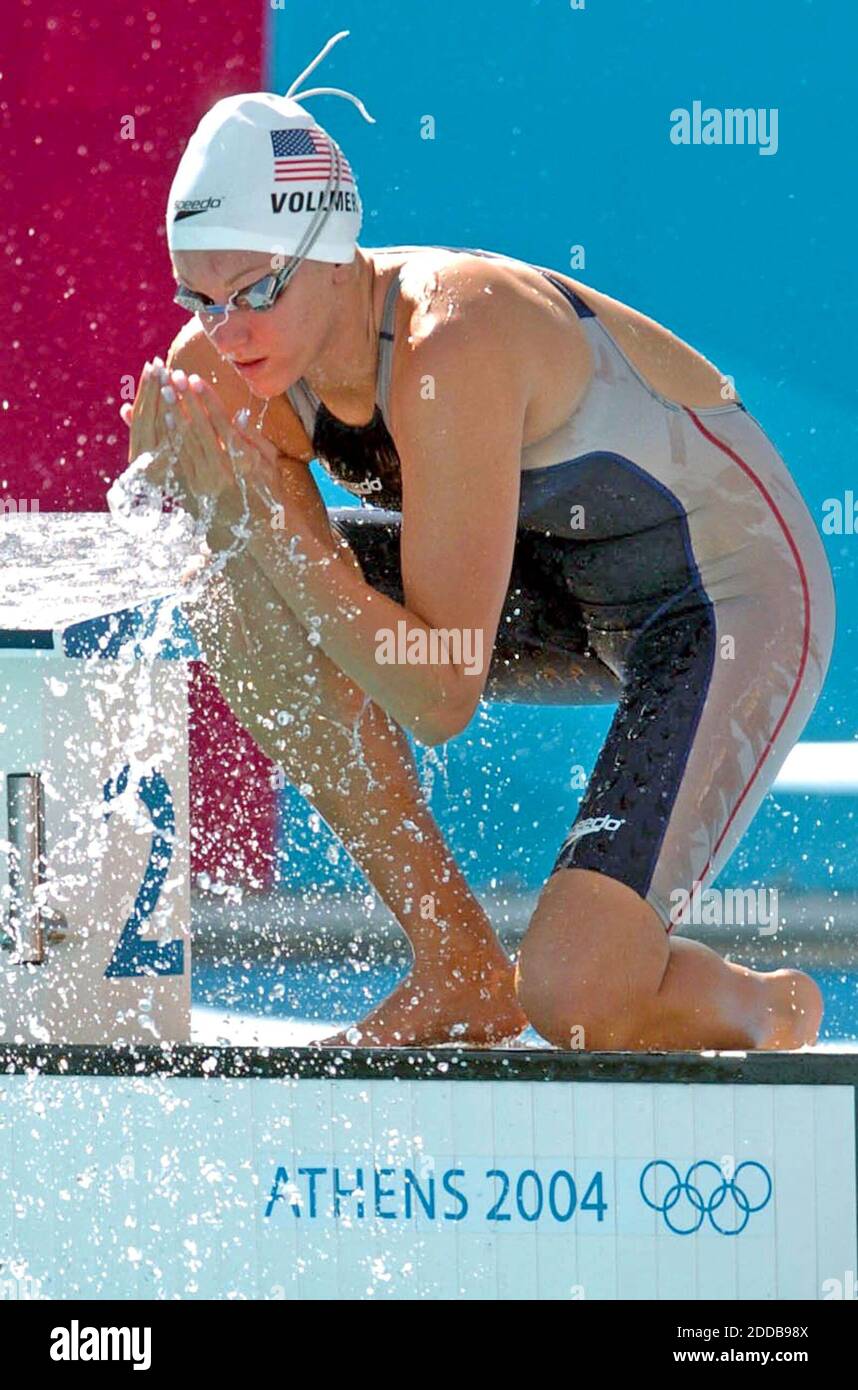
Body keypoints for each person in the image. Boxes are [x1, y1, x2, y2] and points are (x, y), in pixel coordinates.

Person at [121, 31, 835, 1051]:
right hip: (553, 591)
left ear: (335, 250)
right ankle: (455, 956)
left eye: (255, 290)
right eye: (200, 297)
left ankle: (767, 1007)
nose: (227, 331)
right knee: (234, 580)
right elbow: (247, 566)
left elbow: (440, 688)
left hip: (723, 596)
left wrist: (266, 515)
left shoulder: (449, 342)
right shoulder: (233, 358)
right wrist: (204, 498)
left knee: (578, 1000)